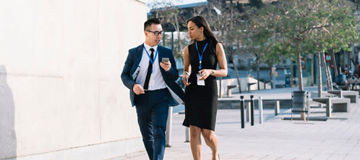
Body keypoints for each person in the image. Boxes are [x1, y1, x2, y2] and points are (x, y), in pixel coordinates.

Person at [121, 18, 184, 160]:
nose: (159, 36)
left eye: (161, 33)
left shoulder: (166, 52)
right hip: (142, 97)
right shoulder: (134, 53)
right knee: (146, 135)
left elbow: (174, 76)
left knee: (159, 131)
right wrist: (133, 85)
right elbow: (124, 75)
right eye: (155, 33)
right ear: (146, 33)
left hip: (161, 97)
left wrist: (169, 70)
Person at [182, 16, 228, 160]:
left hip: (209, 91)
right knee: (194, 130)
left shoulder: (216, 45)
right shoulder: (188, 49)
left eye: (192, 29)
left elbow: (225, 71)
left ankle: (215, 154)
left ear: (201, 28)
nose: (189, 32)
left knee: (207, 133)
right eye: (187, 29)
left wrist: (210, 71)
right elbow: (186, 69)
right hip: (193, 91)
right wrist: (185, 74)